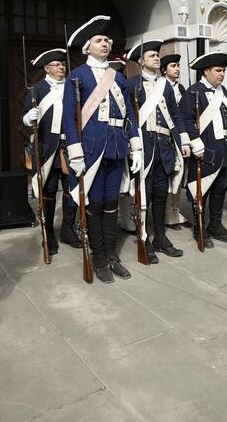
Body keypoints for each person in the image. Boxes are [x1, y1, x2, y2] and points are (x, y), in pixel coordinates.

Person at [62, 15, 142, 284]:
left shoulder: (117, 77)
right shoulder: (77, 76)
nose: (105, 43)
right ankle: (99, 256)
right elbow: (70, 117)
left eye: (107, 40)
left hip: (117, 148)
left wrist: (136, 144)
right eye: (99, 40)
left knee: (111, 205)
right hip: (92, 151)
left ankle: (112, 255)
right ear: (87, 47)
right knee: (95, 206)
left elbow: (129, 111)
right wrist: (74, 151)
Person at [125, 40, 189, 261]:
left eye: (157, 55)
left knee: (162, 194)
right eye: (152, 55)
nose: (156, 58)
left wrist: (184, 141)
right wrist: (133, 146)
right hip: (144, 147)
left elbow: (176, 114)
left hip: (164, 147)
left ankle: (160, 236)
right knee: (145, 196)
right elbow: (129, 118)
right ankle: (144, 237)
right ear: (141, 61)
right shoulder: (132, 84)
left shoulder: (166, 86)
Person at [22, 47, 80, 255]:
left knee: (71, 190)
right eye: (57, 65)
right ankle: (48, 234)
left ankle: (68, 230)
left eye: (63, 64)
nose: (62, 67)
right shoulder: (36, 89)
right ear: (47, 68)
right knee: (47, 193)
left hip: (70, 146)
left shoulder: (73, 88)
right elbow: (24, 119)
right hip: (47, 149)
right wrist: (30, 117)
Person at [179, 51, 227, 246]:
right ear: (206, 71)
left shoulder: (223, 91)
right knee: (202, 191)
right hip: (207, 150)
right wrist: (194, 142)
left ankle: (215, 225)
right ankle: (200, 228)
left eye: (223, 71)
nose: (222, 74)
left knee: (220, 188)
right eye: (218, 70)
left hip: (225, 149)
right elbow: (185, 120)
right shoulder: (193, 92)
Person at [161, 53, 192, 228]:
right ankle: (167, 213)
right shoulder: (161, 87)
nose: (177, 69)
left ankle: (174, 210)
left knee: (179, 177)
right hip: (166, 137)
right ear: (164, 70)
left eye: (178, 65)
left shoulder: (181, 89)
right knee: (168, 176)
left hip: (179, 137)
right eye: (173, 66)